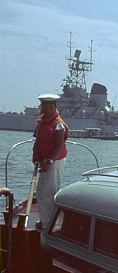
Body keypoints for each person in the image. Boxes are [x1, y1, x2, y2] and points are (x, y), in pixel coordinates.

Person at [32, 94, 69, 230]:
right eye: (45, 107)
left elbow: (59, 146)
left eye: (50, 107)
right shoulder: (42, 121)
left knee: (50, 192)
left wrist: (50, 161)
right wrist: (35, 155)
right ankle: (43, 220)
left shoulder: (58, 124)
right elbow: (38, 140)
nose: (47, 109)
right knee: (40, 191)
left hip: (54, 161)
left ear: (55, 108)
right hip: (43, 160)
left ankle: (51, 224)